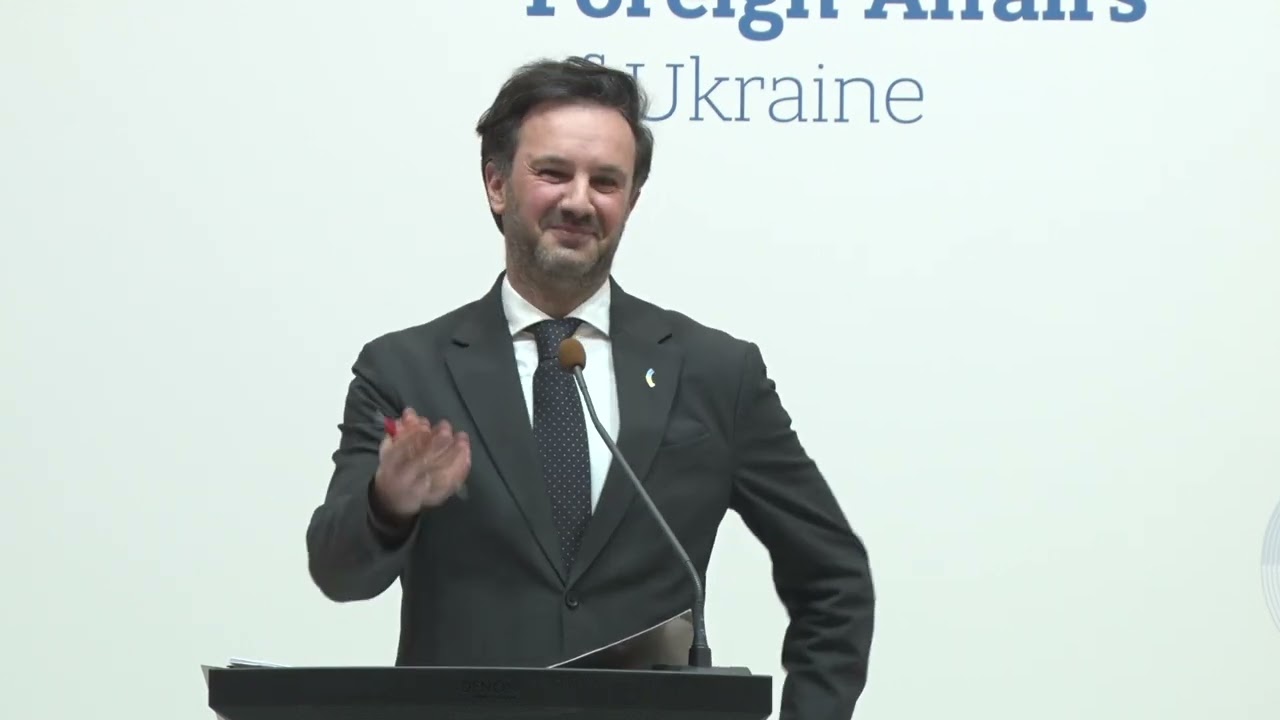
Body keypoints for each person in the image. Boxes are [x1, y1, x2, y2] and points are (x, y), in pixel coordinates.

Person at [305, 56, 876, 718]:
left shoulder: (717, 372)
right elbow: (338, 574)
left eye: (606, 181)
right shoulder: (406, 370)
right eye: (553, 173)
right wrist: (388, 503)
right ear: (497, 184)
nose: (579, 201)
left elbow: (833, 577)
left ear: (631, 200)